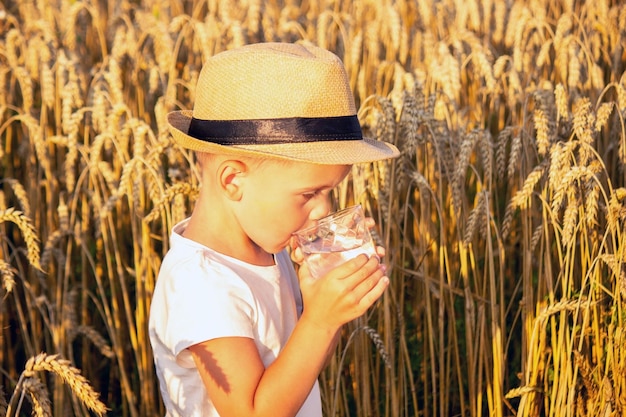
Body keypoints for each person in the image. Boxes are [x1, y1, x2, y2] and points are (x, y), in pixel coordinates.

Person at [148, 42, 400, 417]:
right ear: (233, 180)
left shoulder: (268, 249)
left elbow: (298, 366)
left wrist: (329, 304)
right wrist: (319, 320)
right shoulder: (201, 283)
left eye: (329, 192)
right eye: (309, 194)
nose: (324, 209)